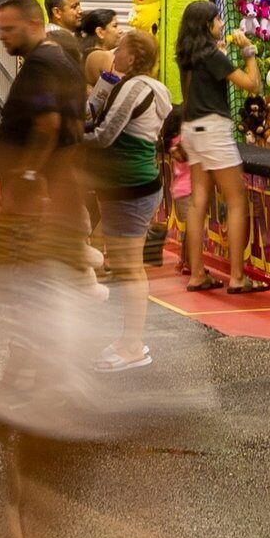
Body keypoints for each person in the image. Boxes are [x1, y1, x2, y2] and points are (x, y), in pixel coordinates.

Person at [82, 27, 173, 370]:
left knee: (130, 269)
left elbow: (104, 135)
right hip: (128, 186)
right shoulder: (144, 87)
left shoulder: (136, 87)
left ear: (133, 58)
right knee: (126, 267)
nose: (114, 53)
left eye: (119, 49)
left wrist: (68, 135)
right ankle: (128, 340)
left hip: (131, 188)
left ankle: (133, 345)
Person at [0, 0, 89, 268]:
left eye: (9, 29)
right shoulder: (63, 60)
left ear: (34, 24)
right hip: (56, 195)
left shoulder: (41, 64)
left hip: (34, 203)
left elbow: (48, 124)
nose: (2, 36)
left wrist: (27, 175)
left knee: (24, 276)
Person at [169, 1, 256, 293]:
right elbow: (251, 84)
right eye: (218, 19)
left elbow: (198, 85)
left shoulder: (188, 55)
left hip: (192, 129)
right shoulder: (212, 56)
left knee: (198, 202)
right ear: (208, 25)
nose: (222, 23)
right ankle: (237, 277)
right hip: (214, 131)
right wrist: (248, 51)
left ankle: (197, 273)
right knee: (235, 199)